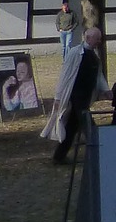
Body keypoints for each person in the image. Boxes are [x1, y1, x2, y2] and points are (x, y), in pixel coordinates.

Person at [43, 26, 107, 164]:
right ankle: (98, 153)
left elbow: (98, 75)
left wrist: (106, 89)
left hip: (85, 97)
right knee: (88, 125)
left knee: (72, 127)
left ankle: (58, 156)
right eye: (97, 38)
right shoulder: (75, 53)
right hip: (76, 97)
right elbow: (65, 76)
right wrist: (58, 97)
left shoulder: (94, 57)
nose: (99, 41)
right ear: (89, 38)